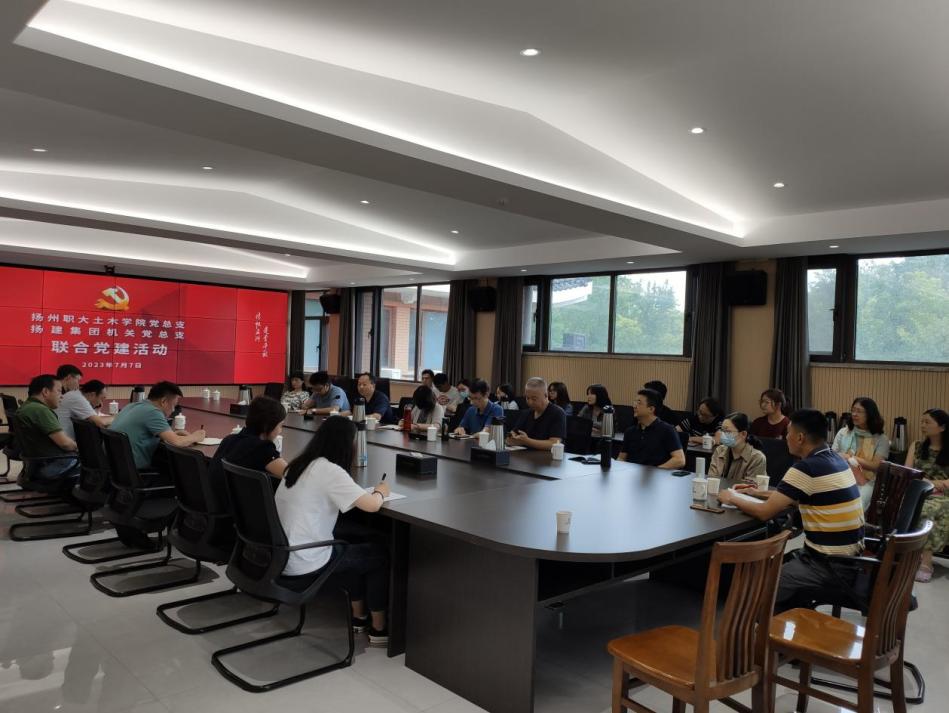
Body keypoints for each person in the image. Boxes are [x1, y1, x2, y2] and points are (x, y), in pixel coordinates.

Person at [719, 408, 865, 613]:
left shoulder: (806, 468)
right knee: (773, 569)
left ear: (800, 437)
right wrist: (756, 492)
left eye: (788, 433)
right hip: (853, 560)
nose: (785, 437)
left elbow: (764, 513)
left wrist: (732, 498)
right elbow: (800, 495)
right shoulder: (835, 460)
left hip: (827, 566)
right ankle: (787, 617)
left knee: (756, 589)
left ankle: (761, 625)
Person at [275, 416, 391, 646]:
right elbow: (371, 506)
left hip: (280, 556)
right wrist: (381, 492)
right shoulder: (329, 470)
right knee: (378, 554)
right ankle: (379, 629)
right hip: (305, 560)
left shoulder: (299, 464)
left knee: (347, 546)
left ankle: (359, 617)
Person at [108, 381, 206, 471]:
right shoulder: (152, 412)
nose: (173, 410)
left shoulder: (132, 405)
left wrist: (172, 434)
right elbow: (177, 442)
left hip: (114, 466)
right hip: (133, 470)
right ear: (163, 401)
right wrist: (196, 436)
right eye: (173, 405)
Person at [210, 397, 289, 503]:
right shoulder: (262, 448)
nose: (280, 430)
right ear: (267, 426)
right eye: (280, 426)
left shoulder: (229, 439)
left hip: (217, 503)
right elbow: (291, 475)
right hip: (240, 507)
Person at [14, 374, 79, 492]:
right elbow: (65, 444)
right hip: (51, 465)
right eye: (59, 391)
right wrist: (80, 447)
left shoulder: (27, 406)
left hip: (34, 466)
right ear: (45, 392)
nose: (62, 396)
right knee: (99, 462)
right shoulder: (40, 410)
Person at [905, 408, 949, 582]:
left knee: (927, 510)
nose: (923, 425)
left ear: (942, 427)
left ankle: (926, 563)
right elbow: (908, 473)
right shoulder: (916, 446)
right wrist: (932, 483)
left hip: (944, 496)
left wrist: (933, 483)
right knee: (915, 505)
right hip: (919, 491)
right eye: (922, 422)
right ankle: (911, 556)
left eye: (927, 422)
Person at [831, 396, 890, 509]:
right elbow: (832, 456)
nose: (854, 414)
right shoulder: (844, 432)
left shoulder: (881, 439)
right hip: (841, 476)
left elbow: (876, 465)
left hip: (867, 481)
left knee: (855, 507)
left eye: (859, 411)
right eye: (853, 410)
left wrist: (851, 458)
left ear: (870, 414)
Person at [617, 389, 685, 469]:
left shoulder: (667, 430)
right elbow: (621, 458)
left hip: (655, 474)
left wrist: (656, 471)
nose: (634, 406)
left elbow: (679, 460)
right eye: (635, 402)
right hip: (632, 473)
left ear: (651, 409)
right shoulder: (630, 431)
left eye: (639, 403)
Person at [506, 377, 566, 452]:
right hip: (526, 456)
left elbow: (554, 443)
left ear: (546, 395)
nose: (530, 402)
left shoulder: (558, 413)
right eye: (527, 398)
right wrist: (512, 438)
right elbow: (513, 433)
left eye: (534, 399)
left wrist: (527, 441)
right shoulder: (526, 413)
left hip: (547, 457)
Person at [708, 412, 768, 485]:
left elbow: (749, 488)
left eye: (728, 431)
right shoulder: (720, 450)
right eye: (722, 430)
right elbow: (711, 479)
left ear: (743, 434)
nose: (723, 434)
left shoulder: (757, 458)